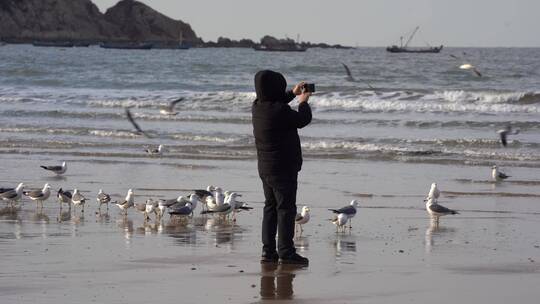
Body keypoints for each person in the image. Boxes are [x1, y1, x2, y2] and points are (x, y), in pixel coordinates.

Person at [252, 70, 312, 265]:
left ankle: (268, 252)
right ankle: (286, 252)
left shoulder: (257, 107)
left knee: (270, 207)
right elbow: (302, 120)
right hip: (283, 168)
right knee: (286, 209)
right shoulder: (280, 111)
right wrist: (303, 101)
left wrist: (292, 94)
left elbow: (276, 103)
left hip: (265, 168)